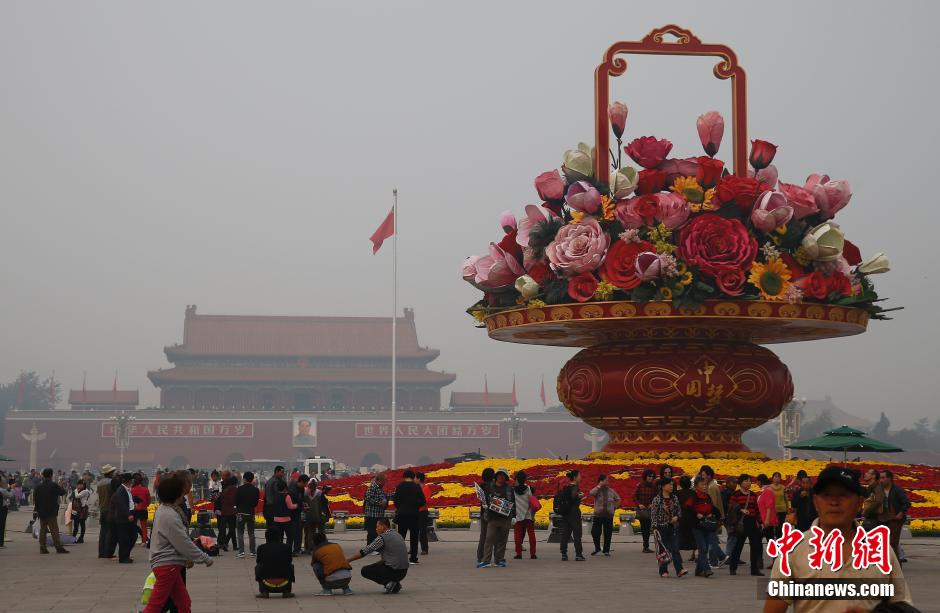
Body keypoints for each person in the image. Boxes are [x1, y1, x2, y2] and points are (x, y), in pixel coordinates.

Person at [764, 467, 913, 613]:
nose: (834, 502)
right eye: (826, 495)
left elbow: (901, 604)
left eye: (843, 495)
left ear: (860, 502)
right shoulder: (794, 551)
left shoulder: (881, 551)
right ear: (815, 501)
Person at [144, 476, 213, 613]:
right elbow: (182, 542)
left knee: (183, 602)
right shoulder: (170, 515)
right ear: (176, 494)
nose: (184, 495)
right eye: (182, 492)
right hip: (167, 565)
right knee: (155, 606)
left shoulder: (164, 510)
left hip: (168, 564)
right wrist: (204, 558)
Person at [346, 517, 409, 594]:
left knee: (365, 570)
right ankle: (394, 584)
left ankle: (389, 583)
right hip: (403, 571)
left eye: (377, 526)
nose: (376, 529)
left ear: (383, 526)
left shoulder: (382, 537)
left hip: (394, 571)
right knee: (375, 566)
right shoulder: (397, 534)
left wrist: (347, 560)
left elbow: (365, 551)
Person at [728, 474, 763, 576]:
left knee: (755, 546)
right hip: (741, 522)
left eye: (749, 481)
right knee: (738, 546)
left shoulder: (752, 495)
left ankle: (754, 569)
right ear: (741, 483)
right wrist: (740, 509)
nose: (749, 482)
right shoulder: (736, 494)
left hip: (752, 522)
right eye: (746, 481)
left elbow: (757, 510)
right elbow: (731, 505)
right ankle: (733, 568)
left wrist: (760, 522)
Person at [651, 477, 686, 578]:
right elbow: (653, 515)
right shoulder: (657, 499)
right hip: (661, 528)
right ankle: (663, 570)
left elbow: (679, 511)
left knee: (675, 548)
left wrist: (677, 517)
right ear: (662, 486)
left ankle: (679, 569)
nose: (671, 486)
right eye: (669, 484)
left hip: (672, 527)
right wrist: (654, 528)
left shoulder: (674, 498)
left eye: (672, 484)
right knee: (663, 550)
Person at [479, 467, 515, 568]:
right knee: (489, 539)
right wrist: (485, 505)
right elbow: (485, 499)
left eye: (503, 476)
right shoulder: (489, 487)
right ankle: (486, 560)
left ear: (506, 478)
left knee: (502, 541)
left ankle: (499, 560)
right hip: (493, 518)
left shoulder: (509, 489)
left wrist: (514, 517)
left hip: (505, 519)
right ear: (496, 476)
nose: (501, 477)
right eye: (499, 475)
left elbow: (513, 503)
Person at [685, 477, 717, 577]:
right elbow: (687, 508)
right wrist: (696, 514)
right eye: (702, 485)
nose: (704, 487)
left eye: (705, 485)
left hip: (707, 525)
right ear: (696, 486)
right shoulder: (694, 496)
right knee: (702, 548)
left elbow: (712, 508)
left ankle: (698, 570)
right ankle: (706, 569)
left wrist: (711, 514)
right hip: (697, 526)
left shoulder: (707, 496)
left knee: (705, 548)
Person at [392, 469, 426, 564]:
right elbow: (423, 501)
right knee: (414, 537)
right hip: (414, 515)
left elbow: (395, 501)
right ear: (413, 477)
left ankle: (400, 558)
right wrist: (415, 506)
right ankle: (413, 558)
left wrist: (401, 508)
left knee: (401, 537)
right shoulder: (416, 487)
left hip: (402, 515)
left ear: (404, 476)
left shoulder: (399, 486)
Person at [33, 467, 69, 555]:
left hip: (41, 511)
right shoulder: (53, 485)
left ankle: (42, 547)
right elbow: (62, 492)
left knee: (43, 530)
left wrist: (36, 510)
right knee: (54, 530)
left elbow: (36, 500)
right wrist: (60, 485)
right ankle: (58, 547)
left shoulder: (38, 487)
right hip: (51, 511)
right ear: (50, 475)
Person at [255, 527, 295, 598]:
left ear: (266, 537)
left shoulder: (261, 548)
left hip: (266, 581)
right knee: (290, 566)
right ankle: (287, 591)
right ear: (279, 537)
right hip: (284, 580)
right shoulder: (286, 547)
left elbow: (258, 561)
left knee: (258, 567)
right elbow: (289, 560)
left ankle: (264, 591)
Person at [879, 470, 911, 559]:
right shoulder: (879, 490)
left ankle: (896, 563)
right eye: (880, 478)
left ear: (889, 478)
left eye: (883, 478)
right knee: (883, 542)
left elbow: (906, 503)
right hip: (883, 519)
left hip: (895, 520)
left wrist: (900, 513)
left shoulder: (897, 490)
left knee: (893, 543)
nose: (881, 480)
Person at [557, 470, 585, 562]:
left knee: (566, 534)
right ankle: (578, 554)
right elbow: (573, 497)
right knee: (577, 534)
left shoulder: (566, 487)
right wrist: (580, 496)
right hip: (574, 513)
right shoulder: (574, 487)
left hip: (566, 513)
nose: (580, 477)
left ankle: (564, 554)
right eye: (579, 476)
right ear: (575, 477)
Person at [590, 474, 620, 556]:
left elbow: (618, 499)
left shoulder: (611, 491)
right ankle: (597, 548)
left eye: (607, 480)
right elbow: (591, 493)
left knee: (608, 533)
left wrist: (615, 507)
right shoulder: (597, 490)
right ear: (601, 481)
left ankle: (606, 550)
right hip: (598, 515)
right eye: (606, 480)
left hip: (608, 515)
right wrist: (599, 486)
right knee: (595, 532)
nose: (607, 482)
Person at [110, 472, 137, 563]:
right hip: (124, 518)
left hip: (130, 515)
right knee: (124, 538)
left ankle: (125, 555)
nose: (133, 481)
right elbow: (121, 505)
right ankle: (123, 557)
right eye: (131, 480)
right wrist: (128, 514)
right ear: (128, 481)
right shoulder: (121, 491)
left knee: (133, 536)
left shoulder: (127, 489)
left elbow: (129, 501)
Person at [235, 471, 260, 558]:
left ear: (244, 479)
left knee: (240, 532)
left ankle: (241, 552)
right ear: (252, 479)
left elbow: (236, 501)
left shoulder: (239, 489)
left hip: (240, 513)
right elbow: (255, 503)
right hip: (250, 513)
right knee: (251, 533)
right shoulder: (256, 490)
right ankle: (252, 552)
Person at [512, 470, 536, 560]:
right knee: (531, 535)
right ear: (525, 479)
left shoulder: (513, 490)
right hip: (528, 515)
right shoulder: (530, 489)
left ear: (517, 479)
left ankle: (519, 554)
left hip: (518, 515)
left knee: (517, 535)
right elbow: (532, 501)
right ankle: (533, 554)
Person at [97, 464, 118, 558]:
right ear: (110, 473)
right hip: (110, 509)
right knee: (111, 532)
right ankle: (108, 552)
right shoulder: (111, 482)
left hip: (102, 509)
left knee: (103, 532)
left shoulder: (99, 483)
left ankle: (101, 552)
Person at [634, 469, 657, 553]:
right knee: (644, 529)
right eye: (649, 476)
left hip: (651, 510)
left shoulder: (654, 486)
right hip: (642, 510)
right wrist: (639, 504)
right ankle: (645, 546)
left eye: (652, 476)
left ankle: (646, 546)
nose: (651, 478)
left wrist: (652, 504)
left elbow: (656, 497)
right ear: (645, 477)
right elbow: (634, 496)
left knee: (648, 528)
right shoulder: (640, 485)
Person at [475, 467, 495, 565]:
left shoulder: (481, 487)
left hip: (484, 513)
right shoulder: (494, 486)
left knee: (483, 536)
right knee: (493, 536)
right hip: (494, 514)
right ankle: (491, 557)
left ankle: (480, 556)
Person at [363, 472, 389, 545]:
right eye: (384, 481)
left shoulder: (380, 488)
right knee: (372, 532)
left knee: (377, 532)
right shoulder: (372, 487)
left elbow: (384, 497)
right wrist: (379, 503)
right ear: (379, 480)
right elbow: (368, 498)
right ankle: (370, 548)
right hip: (372, 514)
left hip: (378, 514)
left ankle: (375, 547)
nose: (384, 483)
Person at [270, 479, 297, 543]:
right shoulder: (287, 496)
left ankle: (279, 549)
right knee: (290, 536)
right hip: (286, 520)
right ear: (285, 487)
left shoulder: (275, 496)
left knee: (279, 536)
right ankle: (287, 549)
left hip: (276, 519)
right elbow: (290, 507)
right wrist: (296, 505)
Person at [676, 475, 696, 560]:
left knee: (679, 536)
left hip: (681, 518)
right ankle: (694, 554)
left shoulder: (677, 493)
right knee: (693, 536)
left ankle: (678, 556)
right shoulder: (693, 493)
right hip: (692, 517)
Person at [217, 474, 238, 552]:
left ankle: (232, 545)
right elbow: (235, 500)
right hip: (231, 511)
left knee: (224, 529)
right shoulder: (235, 489)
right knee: (232, 529)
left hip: (224, 511)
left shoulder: (225, 489)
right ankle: (225, 543)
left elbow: (222, 499)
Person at [132, 474, 152, 546]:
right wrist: (146, 505)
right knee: (144, 526)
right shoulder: (145, 489)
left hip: (135, 509)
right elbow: (148, 500)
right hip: (143, 509)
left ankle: (132, 539)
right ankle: (144, 541)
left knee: (133, 525)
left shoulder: (132, 490)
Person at [416, 472, 432, 556]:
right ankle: (413, 548)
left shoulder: (426, 488)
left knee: (422, 531)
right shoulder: (416, 487)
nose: (414, 480)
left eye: (415, 478)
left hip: (422, 512)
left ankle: (424, 549)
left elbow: (426, 500)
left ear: (419, 479)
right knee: (414, 531)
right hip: (415, 511)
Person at [0, 478, 13, 548]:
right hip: (2, 509)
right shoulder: (2, 490)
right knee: (1, 526)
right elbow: (10, 495)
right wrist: (12, 489)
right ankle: (0, 543)